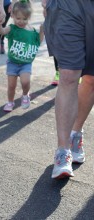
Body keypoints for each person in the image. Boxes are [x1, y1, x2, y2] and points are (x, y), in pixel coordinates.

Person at [42, 0, 94, 179]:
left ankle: (74, 134)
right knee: (69, 76)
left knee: (91, 79)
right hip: (66, 6)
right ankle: (63, 151)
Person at [0, 0, 44, 112]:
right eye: (18, 18)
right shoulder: (12, 28)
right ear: (12, 15)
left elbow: (38, 41)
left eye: (24, 19)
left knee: (25, 82)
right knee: (11, 86)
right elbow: (2, 32)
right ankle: (10, 102)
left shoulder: (32, 31)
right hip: (12, 63)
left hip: (26, 64)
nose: (21, 21)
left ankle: (25, 94)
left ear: (29, 18)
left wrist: (42, 31)